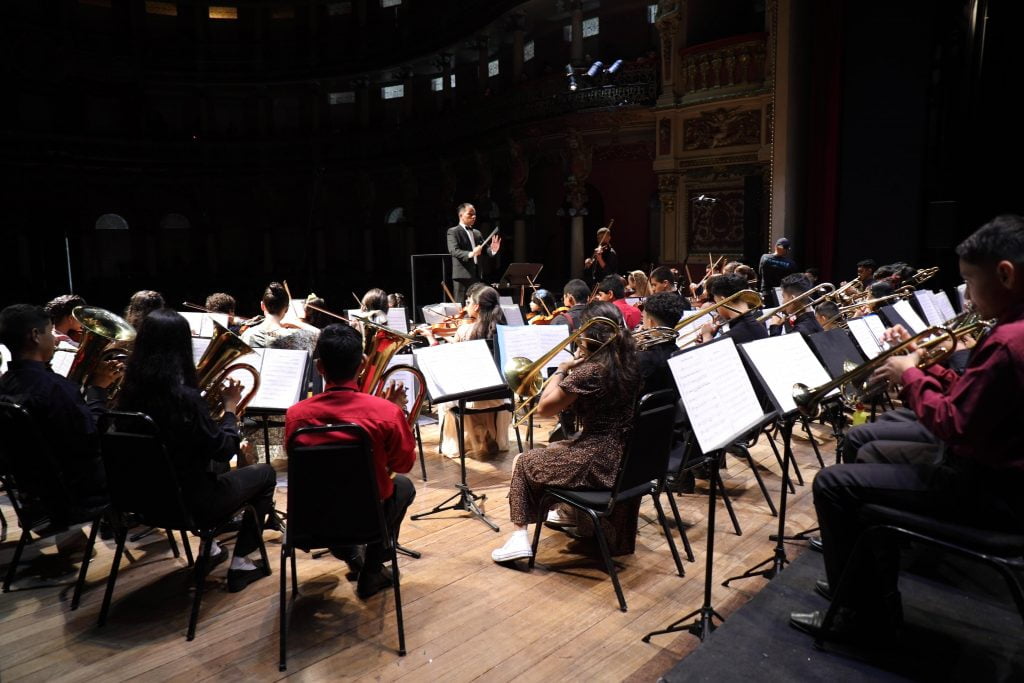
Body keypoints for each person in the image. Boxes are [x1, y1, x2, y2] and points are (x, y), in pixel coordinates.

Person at [790, 214, 1024, 640]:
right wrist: (922, 364)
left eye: (970, 282)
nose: (967, 295)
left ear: (1005, 275)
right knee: (869, 446)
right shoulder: (1010, 333)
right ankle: (861, 584)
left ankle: (865, 617)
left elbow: (953, 424)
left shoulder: (1011, 342)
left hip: (991, 491)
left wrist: (911, 375)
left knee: (831, 483)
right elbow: (973, 405)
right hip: (994, 472)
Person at [115, 309, 277, 593]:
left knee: (203, 462)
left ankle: (211, 547)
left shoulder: (126, 395)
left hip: (144, 501)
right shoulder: (184, 400)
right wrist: (229, 410)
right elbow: (225, 450)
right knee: (265, 473)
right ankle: (241, 562)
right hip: (193, 505)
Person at [491, 301, 641, 562]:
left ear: (590, 334)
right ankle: (571, 513)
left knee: (523, 461)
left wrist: (561, 371)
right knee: (556, 448)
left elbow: (544, 409)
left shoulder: (590, 372)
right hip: (626, 457)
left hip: (598, 460)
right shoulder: (630, 363)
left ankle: (518, 537)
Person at [285, 323, 416, 598]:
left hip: (311, 522)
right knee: (403, 487)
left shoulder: (295, 416)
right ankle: (371, 568)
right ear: (364, 363)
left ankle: (346, 551)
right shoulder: (386, 413)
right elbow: (402, 465)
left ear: (319, 367)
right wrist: (396, 413)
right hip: (367, 519)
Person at [0, 304, 120, 517]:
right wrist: (98, 390)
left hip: (35, 486)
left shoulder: (5, 384)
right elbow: (90, 438)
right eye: (50, 332)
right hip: (78, 489)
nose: (55, 339)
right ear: (35, 335)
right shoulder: (55, 388)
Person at [420, 284, 511, 459]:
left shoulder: (465, 330)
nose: (465, 306)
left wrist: (431, 337)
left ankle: (463, 441)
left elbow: (448, 358)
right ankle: (489, 436)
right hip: (500, 396)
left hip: (470, 397)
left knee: (445, 391)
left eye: (468, 302)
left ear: (476, 307)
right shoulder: (502, 331)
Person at [446, 203, 502, 303]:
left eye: (475, 214)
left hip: (476, 274)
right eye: (470, 214)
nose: (474, 216)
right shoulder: (453, 231)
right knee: (461, 305)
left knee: (476, 303)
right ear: (461, 215)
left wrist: (493, 250)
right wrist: (471, 253)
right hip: (462, 275)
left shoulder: (477, 233)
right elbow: (454, 250)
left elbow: (486, 250)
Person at [241, 282, 318, 351]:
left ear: (262, 306)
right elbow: (319, 334)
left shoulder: (247, 334)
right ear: (287, 309)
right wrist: (294, 322)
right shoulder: (294, 337)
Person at [636, 292, 687, 396]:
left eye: (643, 319)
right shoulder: (680, 354)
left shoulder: (640, 359)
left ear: (651, 322)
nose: (642, 323)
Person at [697, 274, 769, 345]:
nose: (716, 307)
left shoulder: (730, 338)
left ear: (723, 300)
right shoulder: (759, 324)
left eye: (716, 302)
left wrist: (707, 336)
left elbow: (711, 356)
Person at [758, 237, 798, 306]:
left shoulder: (764, 257)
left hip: (765, 293)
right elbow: (791, 282)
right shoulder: (791, 264)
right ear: (786, 250)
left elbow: (760, 273)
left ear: (775, 246)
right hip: (780, 294)